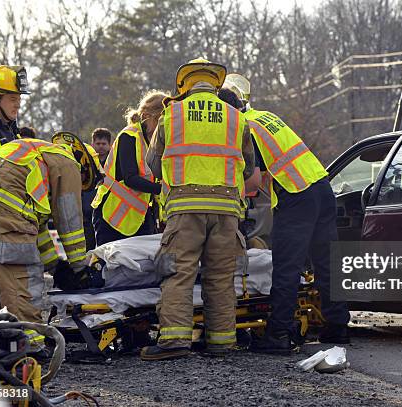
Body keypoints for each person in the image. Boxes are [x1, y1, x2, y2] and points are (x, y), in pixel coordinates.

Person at [219, 75, 350, 355]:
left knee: (286, 266)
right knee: (326, 264)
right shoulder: (263, 116)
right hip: (321, 188)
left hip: (297, 194)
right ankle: (338, 327)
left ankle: (278, 334)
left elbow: (252, 182)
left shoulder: (245, 128)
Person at [141, 58, 255, 361]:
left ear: (184, 86)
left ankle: (175, 342)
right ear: (214, 84)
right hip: (228, 209)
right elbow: (249, 167)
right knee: (220, 277)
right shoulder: (236, 118)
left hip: (185, 207)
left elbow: (153, 164)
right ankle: (222, 342)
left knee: (178, 273)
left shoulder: (171, 115)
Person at [0, 138, 96, 350]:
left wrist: (56, 267)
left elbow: (38, 232)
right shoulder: (68, 162)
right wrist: (79, 268)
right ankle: (29, 345)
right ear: (83, 165)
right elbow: (70, 221)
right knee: (21, 277)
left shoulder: (34, 152)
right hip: (4, 200)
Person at [91, 91, 165, 245]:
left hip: (138, 218)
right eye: (159, 121)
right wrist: (162, 189)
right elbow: (130, 178)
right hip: (111, 215)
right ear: (146, 115)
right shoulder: (129, 136)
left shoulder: (152, 142)